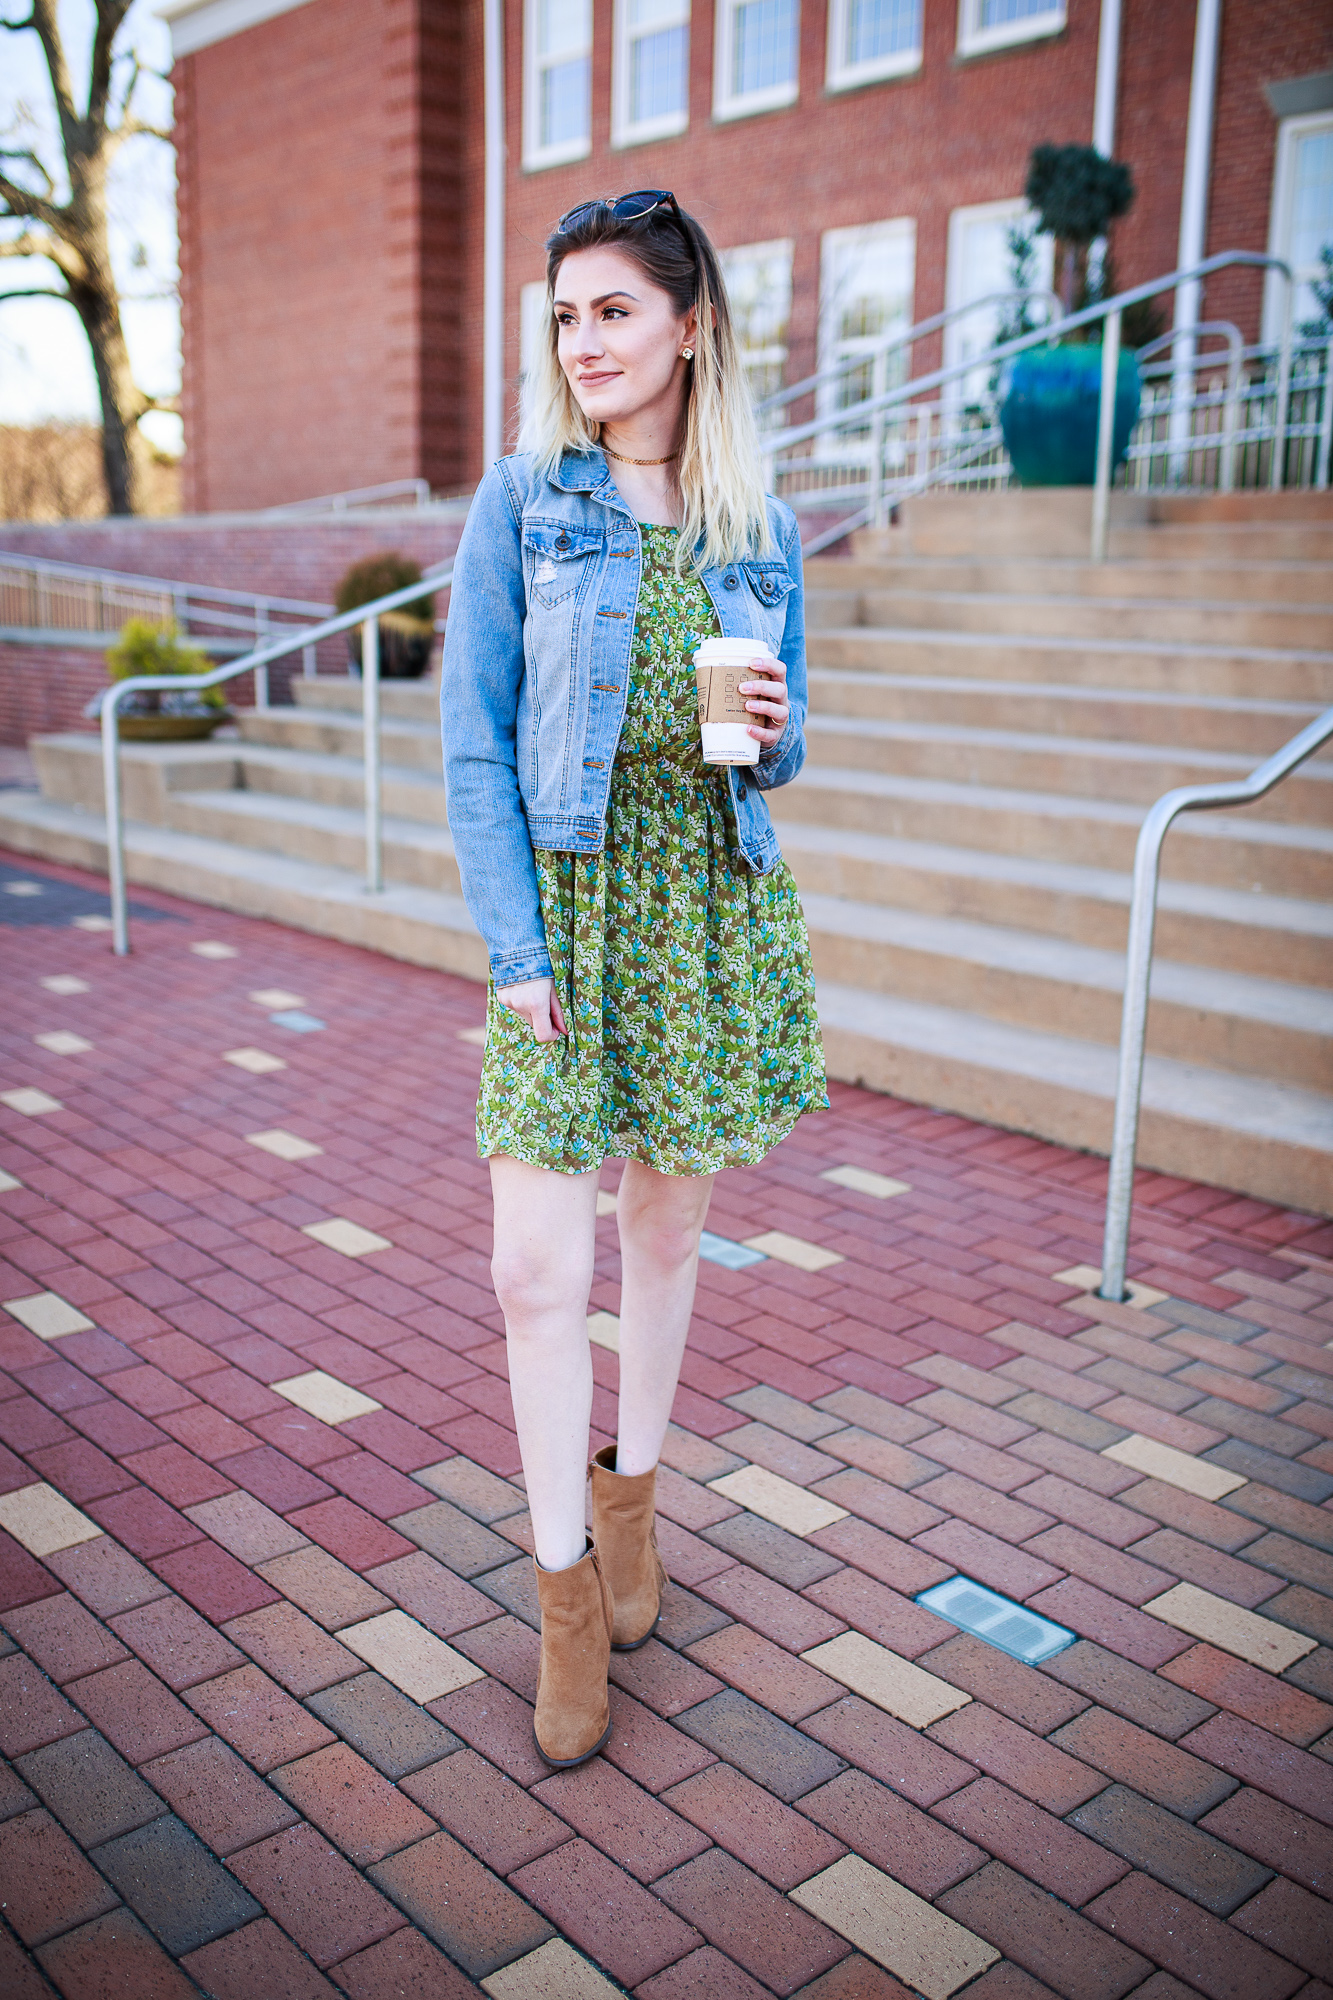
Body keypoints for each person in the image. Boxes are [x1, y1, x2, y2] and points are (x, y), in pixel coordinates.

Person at [440, 190, 827, 1768]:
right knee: (536, 1270)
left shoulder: (757, 524)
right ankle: (562, 1592)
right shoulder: (523, 502)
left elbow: (778, 753)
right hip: (564, 922)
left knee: (663, 1229)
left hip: (701, 918)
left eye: (612, 310)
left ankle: (636, 1504)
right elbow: (470, 741)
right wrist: (515, 949)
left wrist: (780, 723)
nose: (582, 341)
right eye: (565, 314)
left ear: (689, 325)